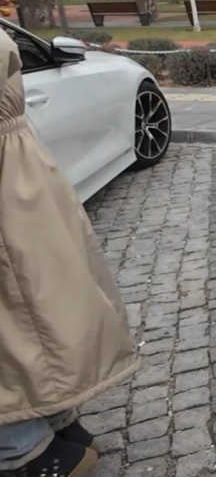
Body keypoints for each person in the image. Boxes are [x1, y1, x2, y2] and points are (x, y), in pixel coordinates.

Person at [0, 25, 138, 477]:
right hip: (20, 169)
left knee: (25, 309)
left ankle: (29, 436)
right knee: (31, 305)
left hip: (16, 170)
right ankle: (41, 428)